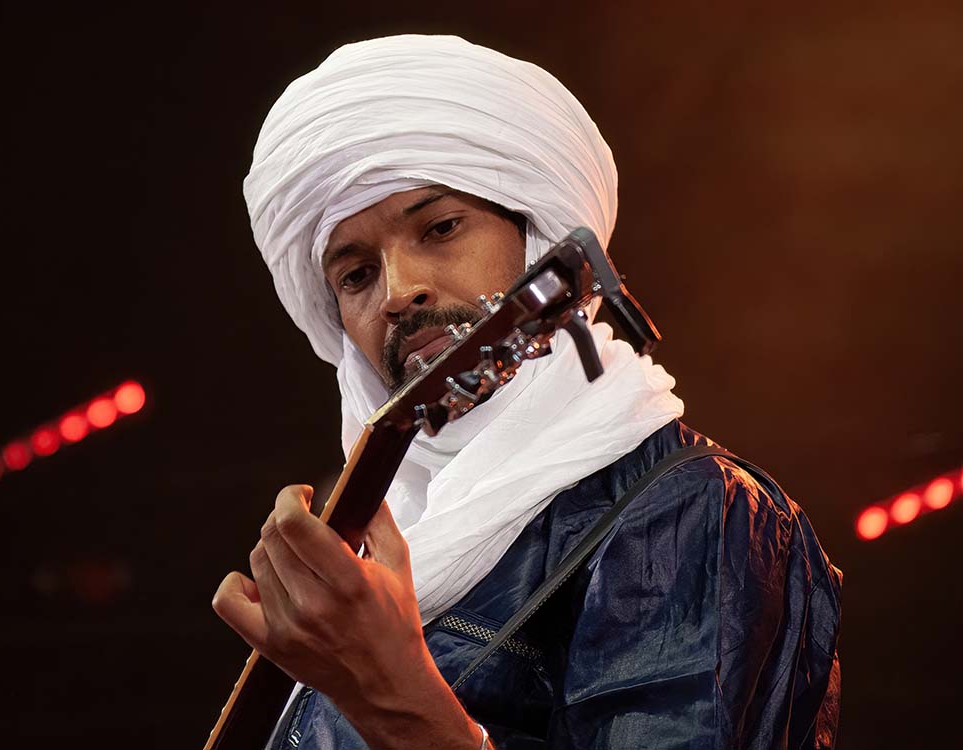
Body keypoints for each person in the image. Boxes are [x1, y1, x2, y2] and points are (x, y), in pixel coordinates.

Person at [212, 35, 842, 750]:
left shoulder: (683, 507)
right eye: (355, 275)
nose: (398, 292)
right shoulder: (376, 551)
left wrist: (394, 698)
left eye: (441, 228)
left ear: (538, 241)